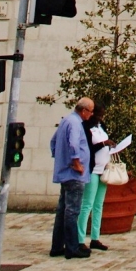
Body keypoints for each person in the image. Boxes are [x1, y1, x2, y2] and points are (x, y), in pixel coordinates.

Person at [49, 97, 93, 259]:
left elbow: (53, 142)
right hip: (74, 175)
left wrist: (60, 158)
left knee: (63, 210)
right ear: (83, 110)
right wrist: (76, 162)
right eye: (90, 111)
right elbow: (74, 144)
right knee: (72, 210)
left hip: (65, 173)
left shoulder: (66, 121)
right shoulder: (75, 123)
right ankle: (72, 247)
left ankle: (57, 246)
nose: (91, 114)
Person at [77, 103, 113, 252]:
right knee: (87, 205)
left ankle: (95, 237)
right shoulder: (86, 127)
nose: (99, 118)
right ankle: (79, 239)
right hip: (92, 168)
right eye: (97, 115)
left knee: (99, 205)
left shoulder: (101, 126)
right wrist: (103, 143)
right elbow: (88, 148)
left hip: (103, 169)